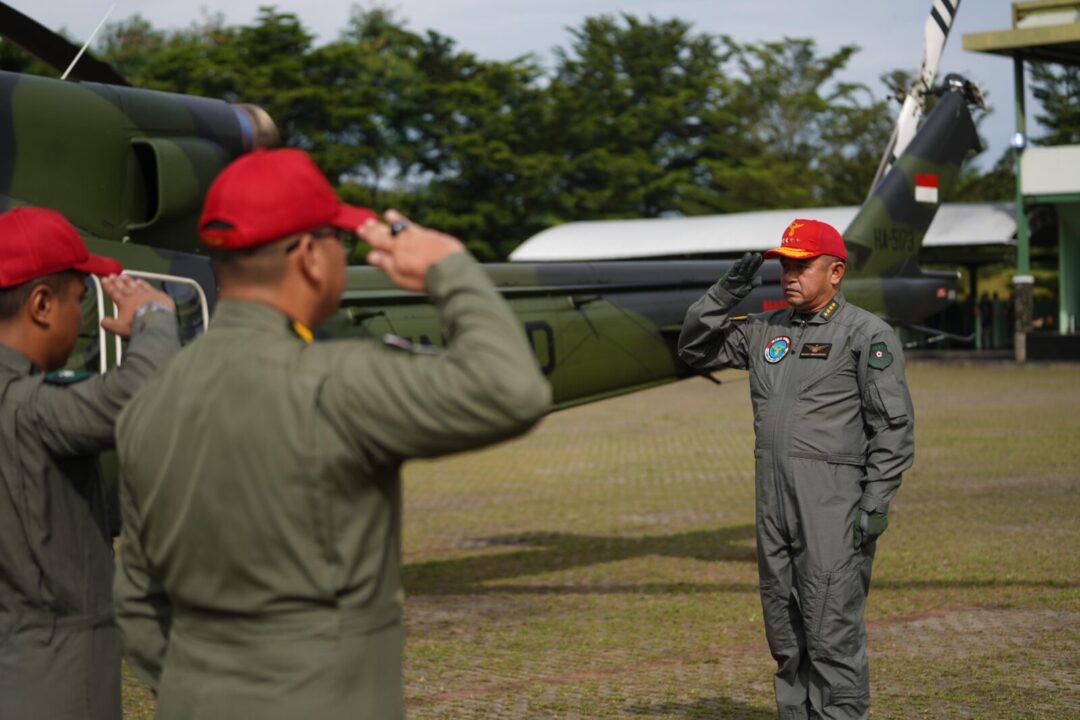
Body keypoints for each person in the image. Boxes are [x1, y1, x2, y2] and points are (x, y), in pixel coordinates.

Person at [113, 148, 551, 719]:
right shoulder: (335, 381)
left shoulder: (148, 404)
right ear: (310, 257)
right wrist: (451, 267)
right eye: (337, 244)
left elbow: (137, 604)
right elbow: (513, 391)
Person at [678, 219, 914, 720]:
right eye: (786, 264)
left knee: (830, 632)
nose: (790, 274)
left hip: (831, 505)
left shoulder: (865, 334)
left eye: (802, 265)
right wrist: (726, 292)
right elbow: (695, 348)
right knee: (785, 633)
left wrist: (874, 502)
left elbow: (893, 427)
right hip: (773, 504)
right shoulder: (766, 329)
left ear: (835, 272)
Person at [0, 207, 179, 720]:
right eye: (79, 300)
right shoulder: (29, 405)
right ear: (41, 304)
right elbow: (148, 391)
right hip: (53, 680)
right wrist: (154, 317)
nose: (84, 318)